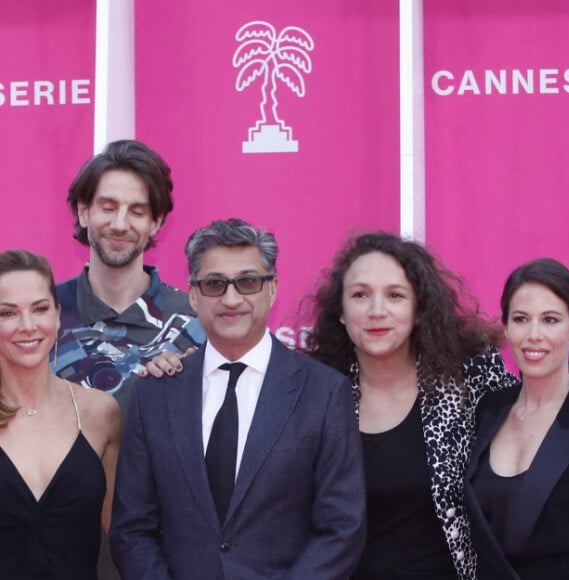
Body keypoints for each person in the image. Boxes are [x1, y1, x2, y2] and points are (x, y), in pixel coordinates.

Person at [110, 218, 366, 579]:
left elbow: (341, 529)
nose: (231, 299)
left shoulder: (324, 392)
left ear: (272, 289)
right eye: (214, 284)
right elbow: (132, 528)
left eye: (247, 282)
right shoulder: (154, 393)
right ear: (194, 295)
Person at [304, 231, 517, 580]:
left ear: (419, 310)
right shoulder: (315, 393)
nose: (376, 311)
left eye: (395, 295)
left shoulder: (471, 380)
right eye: (360, 295)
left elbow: (533, 449)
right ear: (341, 312)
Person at [54, 139, 206, 414]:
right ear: (83, 211)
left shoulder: (196, 323)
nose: (120, 224)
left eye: (137, 212)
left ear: (155, 222)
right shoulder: (41, 317)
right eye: (108, 208)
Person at [0, 249, 121, 579]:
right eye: (8, 313)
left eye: (39, 309)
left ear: (57, 315)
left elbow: (125, 538)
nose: (28, 326)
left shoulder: (100, 413)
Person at [465, 258, 569, 580]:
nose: (533, 335)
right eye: (521, 319)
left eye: (550, 320)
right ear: (506, 327)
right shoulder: (487, 410)